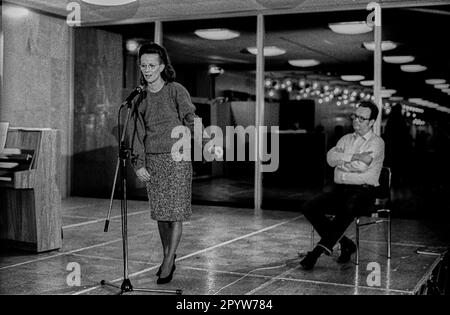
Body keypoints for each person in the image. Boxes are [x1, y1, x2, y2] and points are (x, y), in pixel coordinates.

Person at [128, 43, 219, 284]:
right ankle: (169, 254)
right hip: (153, 162)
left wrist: (208, 143)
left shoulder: (176, 90)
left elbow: (191, 119)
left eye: (152, 65)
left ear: (161, 66)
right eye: (143, 65)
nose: (147, 70)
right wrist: (138, 164)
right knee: (161, 215)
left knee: (175, 213)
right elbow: (136, 134)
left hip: (178, 159)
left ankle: (168, 262)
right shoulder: (139, 97)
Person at [300, 101, 385, 270]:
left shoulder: (377, 143)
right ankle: (346, 244)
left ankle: (316, 253)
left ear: (372, 122)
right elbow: (331, 159)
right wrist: (355, 157)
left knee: (347, 208)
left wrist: (343, 161)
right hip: (341, 190)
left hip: (364, 193)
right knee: (309, 206)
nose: (357, 121)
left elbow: (362, 165)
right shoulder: (345, 139)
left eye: (362, 118)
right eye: (355, 116)